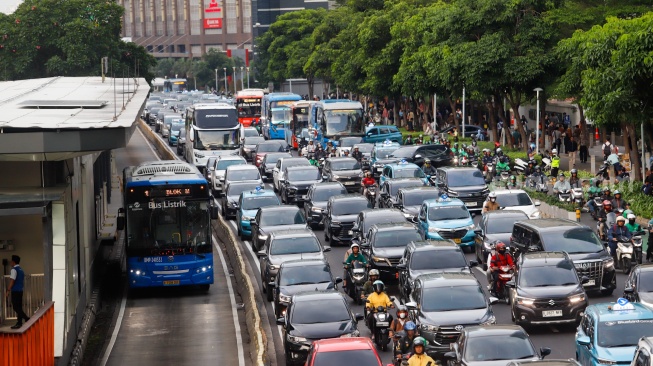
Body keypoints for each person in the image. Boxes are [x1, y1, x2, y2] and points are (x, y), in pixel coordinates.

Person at [6, 255, 29, 329]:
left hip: (15, 291)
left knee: (15, 307)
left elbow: (12, 281)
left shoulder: (14, 270)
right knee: (19, 307)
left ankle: (27, 318)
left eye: (11, 261)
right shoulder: (21, 270)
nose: (10, 262)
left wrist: (8, 290)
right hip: (20, 290)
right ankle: (19, 323)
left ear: (13, 261)